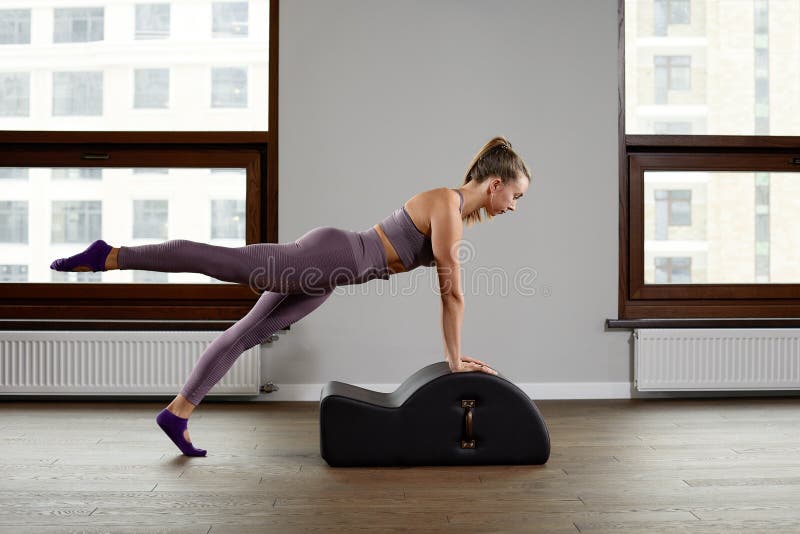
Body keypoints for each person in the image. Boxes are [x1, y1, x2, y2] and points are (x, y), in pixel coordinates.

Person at [49, 135, 532, 456]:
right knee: (221, 261)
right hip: (329, 255)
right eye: (516, 195)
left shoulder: (454, 214)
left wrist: (453, 356)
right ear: (495, 184)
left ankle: (177, 413)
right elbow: (452, 294)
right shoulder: (446, 205)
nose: (514, 206)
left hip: (328, 278)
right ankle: (112, 255)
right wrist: (453, 361)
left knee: (245, 334)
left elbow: (448, 290)